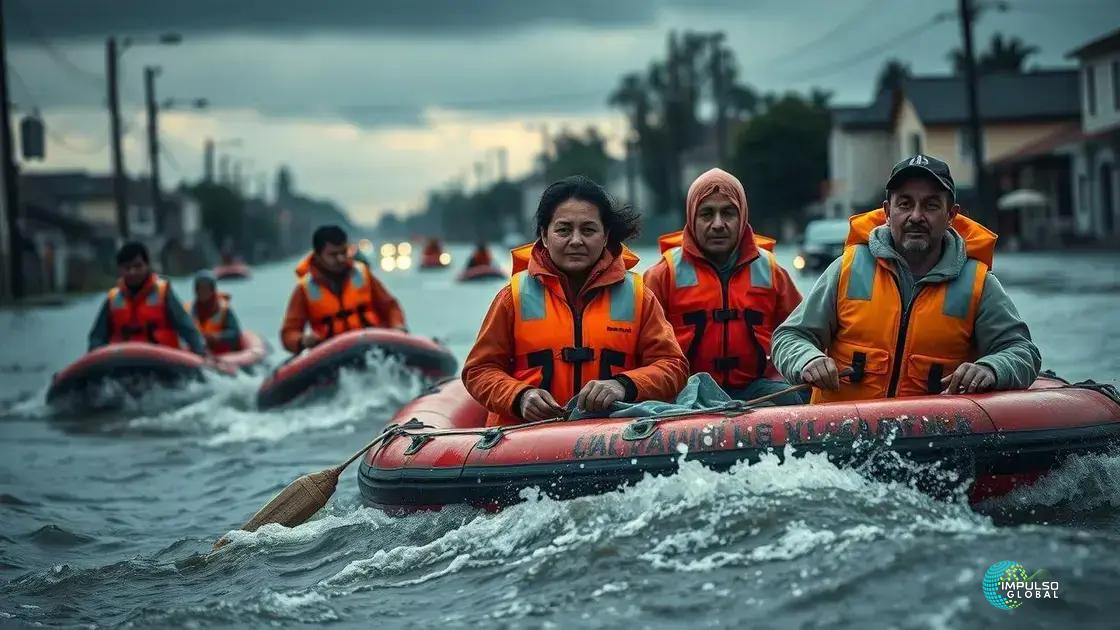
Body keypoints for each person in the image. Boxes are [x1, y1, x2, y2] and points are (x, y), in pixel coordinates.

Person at [770, 154, 1041, 402]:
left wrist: (991, 368)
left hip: (932, 442)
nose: (916, 216)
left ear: (951, 215)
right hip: (840, 438)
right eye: (905, 204)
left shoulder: (979, 284)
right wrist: (808, 359)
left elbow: (1023, 352)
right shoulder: (847, 270)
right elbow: (789, 337)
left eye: (931, 205)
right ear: (888, 212)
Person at [463, 175, 689, 426]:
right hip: (525, 444)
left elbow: (673, 367)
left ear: (605, 237)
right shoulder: (511, 298)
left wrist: (623, 385)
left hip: (614, 441)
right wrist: (520, 396)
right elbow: (478, 371)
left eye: (588, 230)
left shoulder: (639, 297)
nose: (576, 240)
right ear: (544, 236)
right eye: (564, 230)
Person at [643, 168, 805, 404]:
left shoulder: (772, 272)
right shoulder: (662, 275)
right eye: (707, 214)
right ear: (691, 218)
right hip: (685, 392)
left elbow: (799, 334)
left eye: (728, 213)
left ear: (742, 218)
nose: (718, 224)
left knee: (796, 399)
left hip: (757, 390)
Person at [281, 225, 407, 354]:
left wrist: (397, 326)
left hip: (372, 346)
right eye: (333, 255)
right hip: (331, 355)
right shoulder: (304, 289)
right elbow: (289, 333)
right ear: (318, 256)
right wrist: (302, 340)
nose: (340, 259)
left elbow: (390, 307)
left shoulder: (363, 274)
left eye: (343, 252)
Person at [88, 241, 207, 355]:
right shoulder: (113, 299)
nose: (132, 272)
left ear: (147, 265)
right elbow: (97, 337)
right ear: (120, 270)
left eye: (137, 266)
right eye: (127, 268)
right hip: (123, 363)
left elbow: (186, 327)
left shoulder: (163, 293)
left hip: (162, 362)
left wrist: (200, 351)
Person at [187, 271, 243, 354]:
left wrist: (217, 337)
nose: (203, 292)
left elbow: (235, 333)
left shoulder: (223, 310)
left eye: (206, 289)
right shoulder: (189, 310)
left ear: (212, 290)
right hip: (198, 351)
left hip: (222, 353)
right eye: (200, 289)